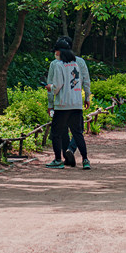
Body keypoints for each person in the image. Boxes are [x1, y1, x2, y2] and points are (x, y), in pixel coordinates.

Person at [45, 37, 91, 170]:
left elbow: (57, 85)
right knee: (78, 133)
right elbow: (85, 81)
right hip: (76, 103)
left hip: (63, 104)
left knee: (56, 133)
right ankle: (85, 160)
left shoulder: (57, 65)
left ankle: (58, 159)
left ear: (59, 52)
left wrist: (51, 89)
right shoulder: (77, 63)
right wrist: (87, 97)